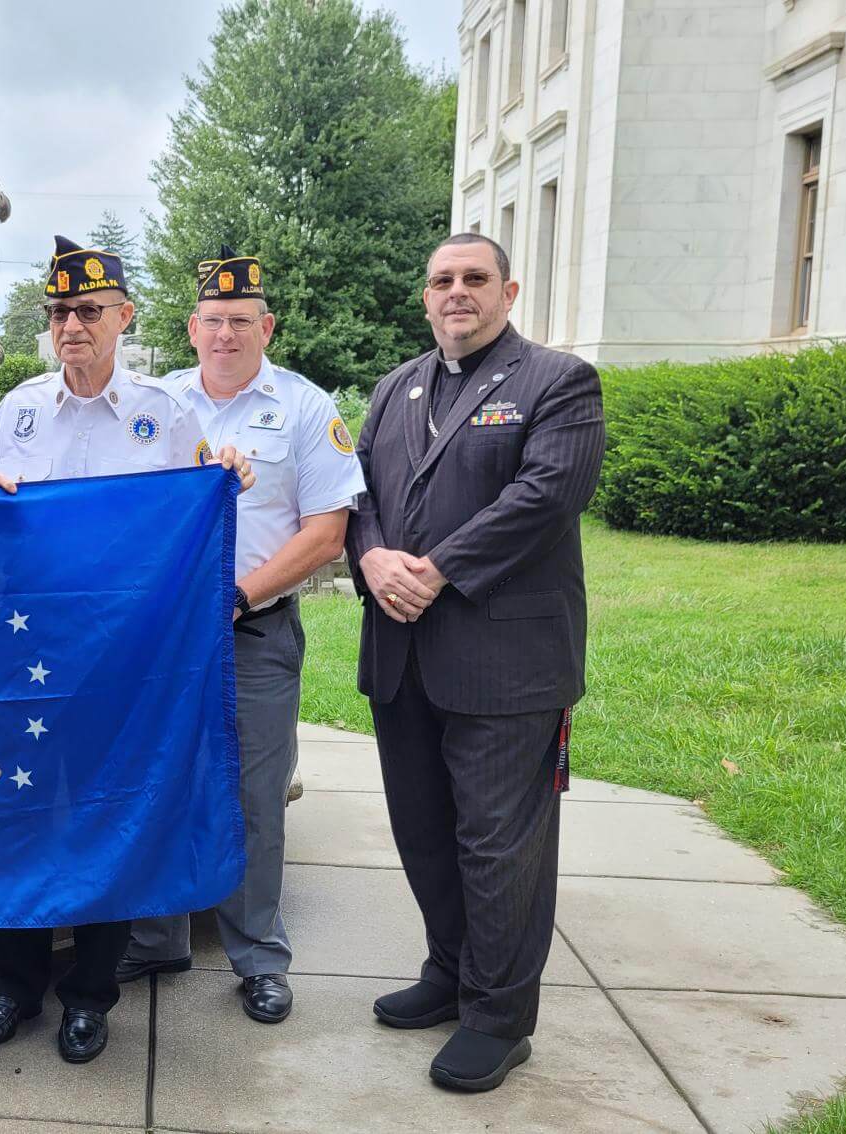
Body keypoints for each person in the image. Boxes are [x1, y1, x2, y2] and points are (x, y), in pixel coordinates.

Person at [0, 236, 253, 1064]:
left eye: (89, 310)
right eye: (59, 311)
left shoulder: (166, 416)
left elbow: (200, 509)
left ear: (124, 317)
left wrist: (223, 474)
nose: (72, 325)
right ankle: (13, 986)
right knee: (14, 818)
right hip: (23, 658)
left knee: (106, 817)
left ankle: (89, 997)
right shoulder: (16, 410)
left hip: (123, 661)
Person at [346, 232, 605, 1092]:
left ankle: (500, 1016)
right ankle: (449, 972)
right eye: (442, 281)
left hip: (505, 660)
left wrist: (438, 567)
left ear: (508, 290)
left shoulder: (557, 382)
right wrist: (375, 557)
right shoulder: (395, 388)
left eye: (473, 279)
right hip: (401, 651)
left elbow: (548, 495)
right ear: (425, 297)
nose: (456, 292)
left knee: (499, 845)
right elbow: (361, 496)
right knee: (423, 830)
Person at [119, 247, 364, 1026]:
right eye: (213, 321)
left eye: (241, 322)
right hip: (162, 638)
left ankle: (258, 955)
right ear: (192, 329)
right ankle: (157, 938)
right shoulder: (154, 403)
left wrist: (234, 596)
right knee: (160, 781)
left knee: (254, 796)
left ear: (267, 327)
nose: (226, 335)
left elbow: (328, 533)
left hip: (252, 631)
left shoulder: (304, 409)